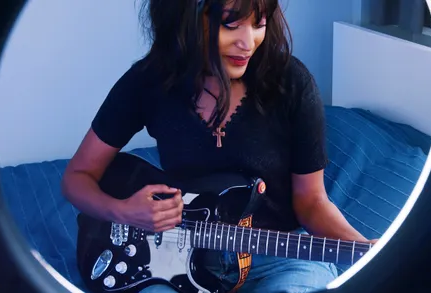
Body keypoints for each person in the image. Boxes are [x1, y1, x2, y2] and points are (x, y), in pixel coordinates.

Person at [61, 0, 376, 292]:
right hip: (176, 256)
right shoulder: (148, 82)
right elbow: (77, 177)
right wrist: (124, 212)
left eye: (259, 23)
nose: (247, 42)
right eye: (230, 23)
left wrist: (368, 250)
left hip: (279, 257)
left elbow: (312, 201)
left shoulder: (291, 82)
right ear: (186, 18)